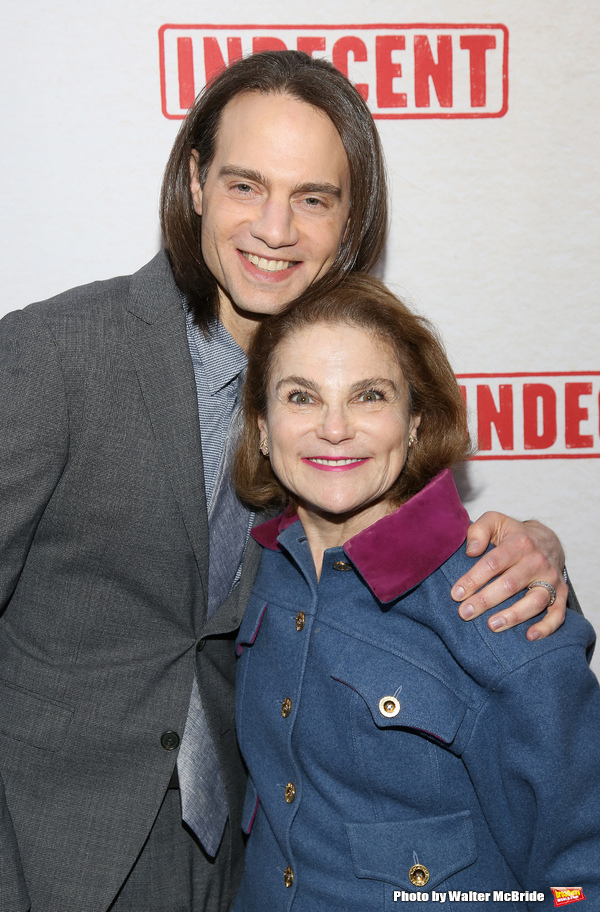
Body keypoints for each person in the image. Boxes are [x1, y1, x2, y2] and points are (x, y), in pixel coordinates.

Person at [0, 50, 574, 912]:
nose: (276, 228)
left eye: (314, 197)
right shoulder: (52, 357)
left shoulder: (336, 405)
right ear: (195, 182)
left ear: (351, 218)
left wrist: (531, 542)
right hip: (47, 850)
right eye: (245, 186)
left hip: (246, 863)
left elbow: (395, 548)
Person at [232, 274, 600, 911]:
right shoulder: (260, 569)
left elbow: (580, 883)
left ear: (414, 422)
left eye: (370, 396)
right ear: (264, 429)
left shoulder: (501, 604)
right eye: (301, 397)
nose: (335, 428)